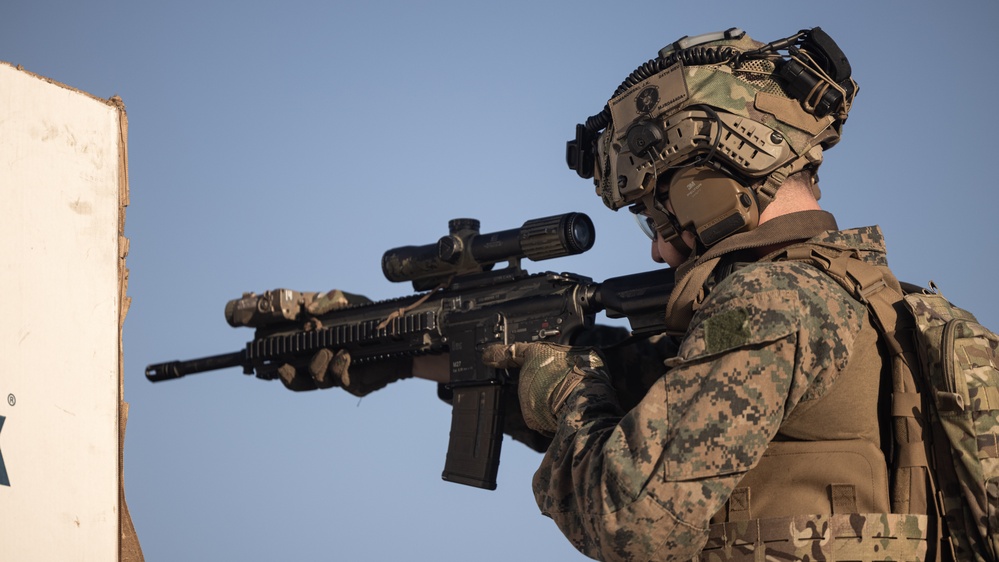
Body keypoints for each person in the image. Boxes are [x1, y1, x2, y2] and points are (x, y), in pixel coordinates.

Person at [477, 28, 938, 561]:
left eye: (653, 216)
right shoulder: (868, 297)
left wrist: (566, 394)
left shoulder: (769, 301)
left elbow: (630, 521)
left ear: (703, 189)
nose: (658, 251)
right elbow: (655, 398)